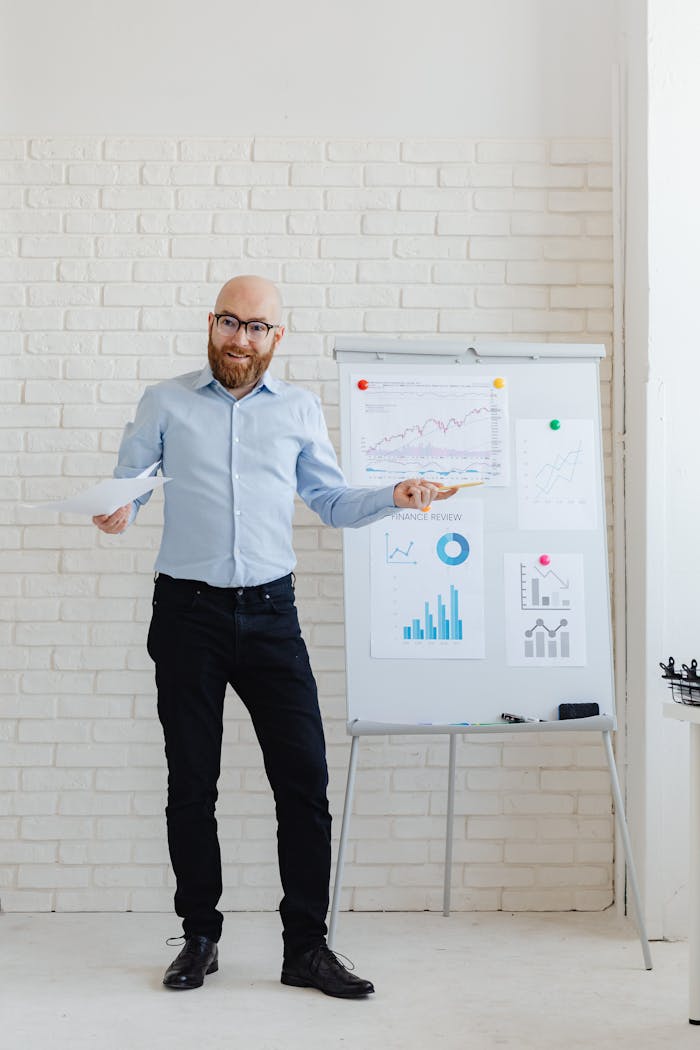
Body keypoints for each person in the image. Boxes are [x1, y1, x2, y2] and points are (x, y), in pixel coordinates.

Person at [93, 275, 456, 998]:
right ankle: (199, 937)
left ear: (276, 338)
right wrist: (117, 509)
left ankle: (306, 950)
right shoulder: (165, 402)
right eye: (230, 322)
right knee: (192, 784)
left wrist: (393, 495)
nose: (241, 338)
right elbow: (127, 482)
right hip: (187, 614)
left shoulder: (296, 409)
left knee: (304, 783)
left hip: (271, 615)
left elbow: (327, 500)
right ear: (211, 323)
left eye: (257, 327)